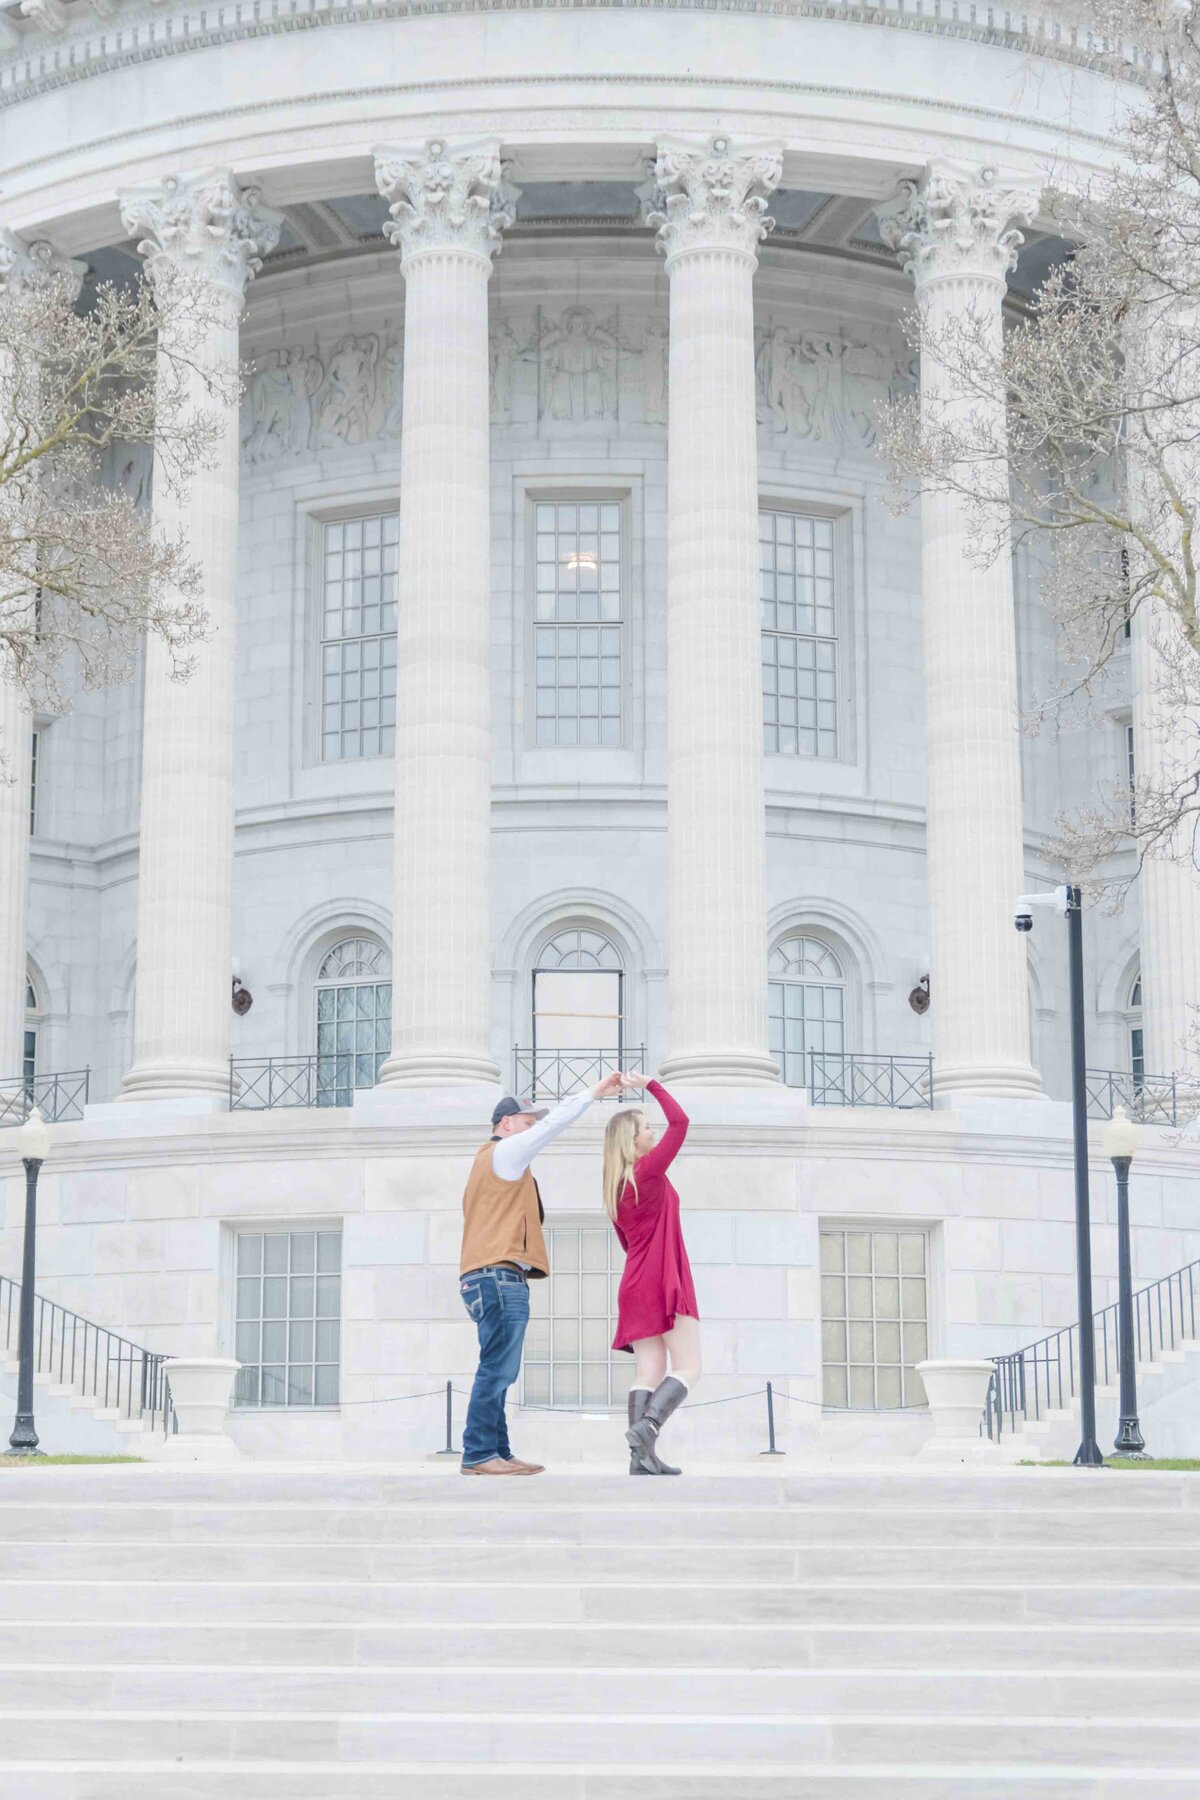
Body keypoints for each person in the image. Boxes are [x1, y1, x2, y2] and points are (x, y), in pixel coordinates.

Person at [459, 1073, 625, 1476]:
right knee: (497, 1369)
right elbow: (555, 1124)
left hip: (488, 1277)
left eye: (533, 1123)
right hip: (498, 1277)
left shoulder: (493, 1165)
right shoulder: (505, 1154)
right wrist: (594, 1092)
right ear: (506, 1124)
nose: (533, 1128)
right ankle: (479, 1453)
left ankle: (496, 1449)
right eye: (527, 1122)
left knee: (498, 1366)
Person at [603, 1074, 700, 1475]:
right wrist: (651, 1084)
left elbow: (628, 1243)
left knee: (648, 1372)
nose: (654, 1131)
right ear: (634, 1141)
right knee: (690, 1366)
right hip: (662, 1278)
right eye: (646, 1128)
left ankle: (640, 1458)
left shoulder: (614, 1188)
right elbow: (681, 1123)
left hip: (635, 1282)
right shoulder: (648, 1172)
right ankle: (649, 1428)